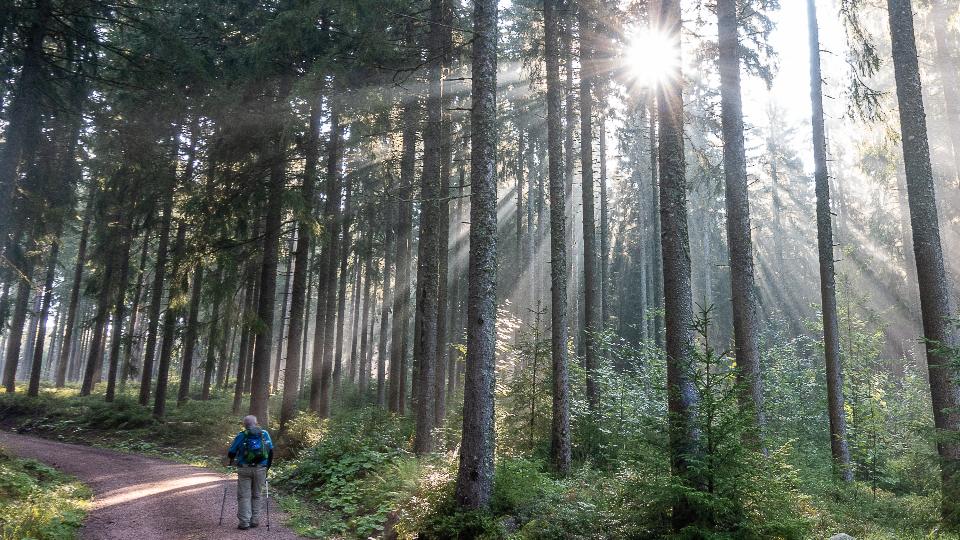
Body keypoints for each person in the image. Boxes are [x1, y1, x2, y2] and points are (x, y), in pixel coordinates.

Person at [227, 415, 274, 530]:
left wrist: (232, 460)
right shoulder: (264, 434)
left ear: (245, 425)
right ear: (256, 422)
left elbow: (231, 452)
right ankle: (255, 520)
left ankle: (244, 523)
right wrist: (267, 467)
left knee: (244, 496)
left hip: (244, 469)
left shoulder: (241, 435)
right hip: (261, 468)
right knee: (257, 495)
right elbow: (271, 451)